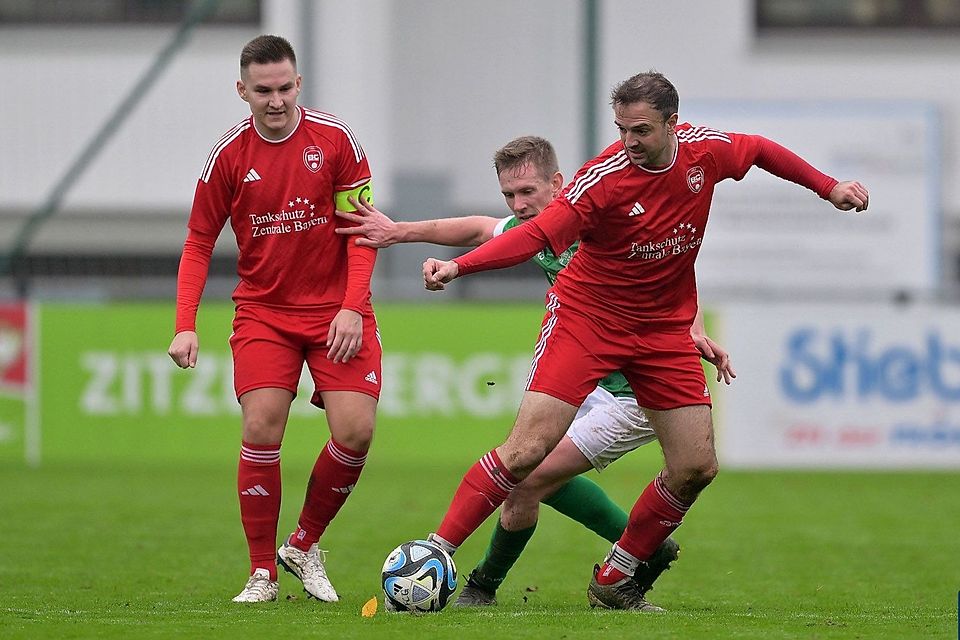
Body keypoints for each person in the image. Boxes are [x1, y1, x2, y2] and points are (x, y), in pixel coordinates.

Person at [420, 71, 869, 611]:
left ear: (672, 124)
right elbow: (535, 235)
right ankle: (434, 552)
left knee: (696, 466)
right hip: (589, 321)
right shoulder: (600, 180)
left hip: (660, 331)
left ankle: (616, 577)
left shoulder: (705, 153)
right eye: (621, 129)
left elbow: (759, 149)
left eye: (641, 130)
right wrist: (459, 268)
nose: (629, 141)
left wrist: (828, 187)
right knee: (526, 452)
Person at [336, 135, 734, 607]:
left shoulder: (595, 217)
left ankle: (484, 585)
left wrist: (693, 328)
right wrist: (399, 231)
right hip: (597, 381)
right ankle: (643, 547)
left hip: (636, 394)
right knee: (528, 467)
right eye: (509, 194)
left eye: (528, 192)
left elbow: (669, 267)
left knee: (524, 474)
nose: (519, 205)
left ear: (559, 184)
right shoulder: (535, 227)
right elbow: (479, 229)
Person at [167, 35, 381, 604]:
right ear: (243, 91)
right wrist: (185, 323)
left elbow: (363, 232)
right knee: (261, 427)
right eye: (264, 90)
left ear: (299, 84)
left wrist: (352, 306)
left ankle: (304, 545)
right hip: (265, 312)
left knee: (355, 432)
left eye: (286, 87)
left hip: (337, 310)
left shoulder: (336, 141)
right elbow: (198, 242)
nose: (277, 100)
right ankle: (262, 572)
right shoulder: (228, 156)